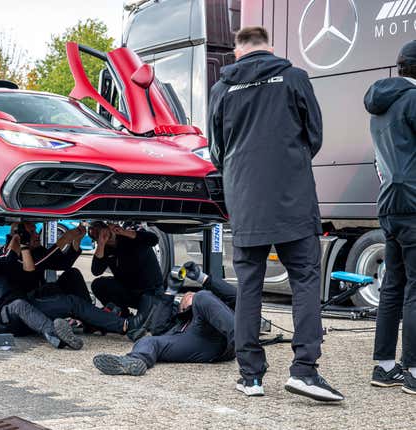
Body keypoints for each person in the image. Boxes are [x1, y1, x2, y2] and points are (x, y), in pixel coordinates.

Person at [207, 26, 343, 401]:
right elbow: (314, 135)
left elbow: (216, 151)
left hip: (245, 201)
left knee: (248, 287)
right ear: (268, 46)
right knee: (304, 280)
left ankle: (250, 377)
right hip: (292, 198)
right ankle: (304, 371)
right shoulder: (294, 77)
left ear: (238, 52)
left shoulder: (222, 90)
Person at [0, 229, 150, 349]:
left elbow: (28, 269)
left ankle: (126, 326)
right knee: (19, 304)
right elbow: (8, 258)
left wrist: (24, 245)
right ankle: (56, 335)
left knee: (71, 302)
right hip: (0, 320)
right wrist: (17, 239)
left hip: (26, 311)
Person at [364, 40, 416, 396]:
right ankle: (413, 369)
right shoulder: (413, 100)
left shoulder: (381, 106)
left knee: (393, 287)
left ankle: (384, 366)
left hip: (390, 206)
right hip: (414, 202)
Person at [93, 269, 235, 376]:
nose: (191, 294)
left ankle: (243, 343)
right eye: (187, 295)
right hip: (196, 341)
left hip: (222, 335)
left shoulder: (211, 303)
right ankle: (133, 362)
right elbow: (157, 329)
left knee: (203, 297)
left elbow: (236, 296)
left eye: (192, 293)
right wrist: (170, 292)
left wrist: (203, 278)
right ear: (182, 307)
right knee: (148, 341)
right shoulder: (179, 319)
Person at [88, 222, 163, 317]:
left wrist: (123, 231)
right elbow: (96, 271)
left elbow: (153, 239)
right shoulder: (106, 249)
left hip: (150, 290)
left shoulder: (130, 236)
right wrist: (101, 244)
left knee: (147, 323)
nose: (102, 234)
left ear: (108, 227)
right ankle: (122, 315)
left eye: (101, 230)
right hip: (129, 290)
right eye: (97, 235)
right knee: (98, 284)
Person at [10, 222, 91, 302]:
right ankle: (88, 311)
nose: (37, 235)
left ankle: (89, 309)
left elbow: (64, 264)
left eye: (35, 231)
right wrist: (64, 239)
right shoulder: (12, 254)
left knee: (72, 273)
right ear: (19, 236)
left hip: (42, 291)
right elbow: (36, 264)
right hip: (27, 300)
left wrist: (77, 240)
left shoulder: (37, 250)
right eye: (32, 232)